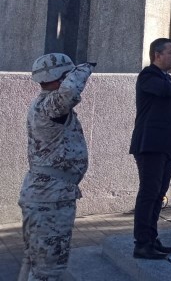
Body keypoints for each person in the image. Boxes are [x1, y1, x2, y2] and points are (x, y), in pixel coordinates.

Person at [18, 54, 95, 281]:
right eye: (67, 75)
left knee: (35, 263)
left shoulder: (44, 104)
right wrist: (81, 70)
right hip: (50, 200)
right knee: (48, 271)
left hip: (46, 195)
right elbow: (69, 93)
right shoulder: (51, 105)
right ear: (61, 79)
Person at [129, 38, 171, 259]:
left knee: (159, 194)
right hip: (149, 145)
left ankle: (151, 238)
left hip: (166, 146)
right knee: (149, 193)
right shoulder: (148, 76)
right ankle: (142, 243)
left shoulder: (165, 78)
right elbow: (168, 90)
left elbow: (170, 89)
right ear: (157, 55)